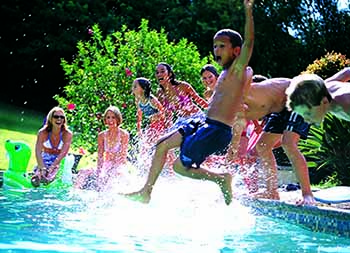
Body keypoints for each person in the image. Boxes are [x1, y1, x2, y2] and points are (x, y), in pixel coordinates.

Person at [124, 0, 255, 205]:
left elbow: (249, 43)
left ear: (236, 51)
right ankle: (145, 192)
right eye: (215, 46)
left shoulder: (238, 71)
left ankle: (221, 179)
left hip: (216, 129)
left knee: (179, 167)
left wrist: (248, 11)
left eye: (222, 46)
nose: (216, 50)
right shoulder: (224, 74)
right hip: (202, 121)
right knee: (161, 146)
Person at [74, 106, 130, 190]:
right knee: (83, 171)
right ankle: (74, 193)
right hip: (106, 165)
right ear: (105, 120)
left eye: (113, 117)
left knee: (114, 176)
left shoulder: (124, 134)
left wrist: (111, 170)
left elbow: (122, 157)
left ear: (118, 118)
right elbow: (100, 156)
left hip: (119, 166)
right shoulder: (102, 135)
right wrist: (99, 171)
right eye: (108, 117)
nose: (110, 120)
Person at [155, 62, 208, 130]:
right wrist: (167, 129)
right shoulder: (160, 93)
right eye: (157, 72)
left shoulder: (182, 86)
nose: (159, 74)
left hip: (196, 116)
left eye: (162, 71)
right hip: (182, 120)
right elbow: (168, 114)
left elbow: (199, 100)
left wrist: (214, 110)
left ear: (170, 74)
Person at [31, 107, 73, 187]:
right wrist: (42, 166)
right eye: (56, 117)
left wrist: (52, 167)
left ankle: (48, 179)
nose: (59, 119)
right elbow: (38, 151)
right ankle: (38, 177)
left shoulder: (67, 133)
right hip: (45, 157)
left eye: (62, 117)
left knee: (54, 171)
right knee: (40, 171)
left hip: (60, 159)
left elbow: (63, 153)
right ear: (50, 118)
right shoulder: (43, 132)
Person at [286, 72, 350, 124]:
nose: (306, 120)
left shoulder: (346, 104)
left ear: (324, 102)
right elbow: (347, 72)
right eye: (302, 115)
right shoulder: (323, 89)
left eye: (308, 113)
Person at [132, 77, 165, 145]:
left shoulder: (152, 100)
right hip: (152, 125)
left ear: (143, 89)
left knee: (159, 143)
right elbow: (139, 115)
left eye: (135, 86)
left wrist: (155, 116)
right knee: (146, 144)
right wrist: (139, 129)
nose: (132, 88)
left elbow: (163, 112)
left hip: (161, 125)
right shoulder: (138, 100)